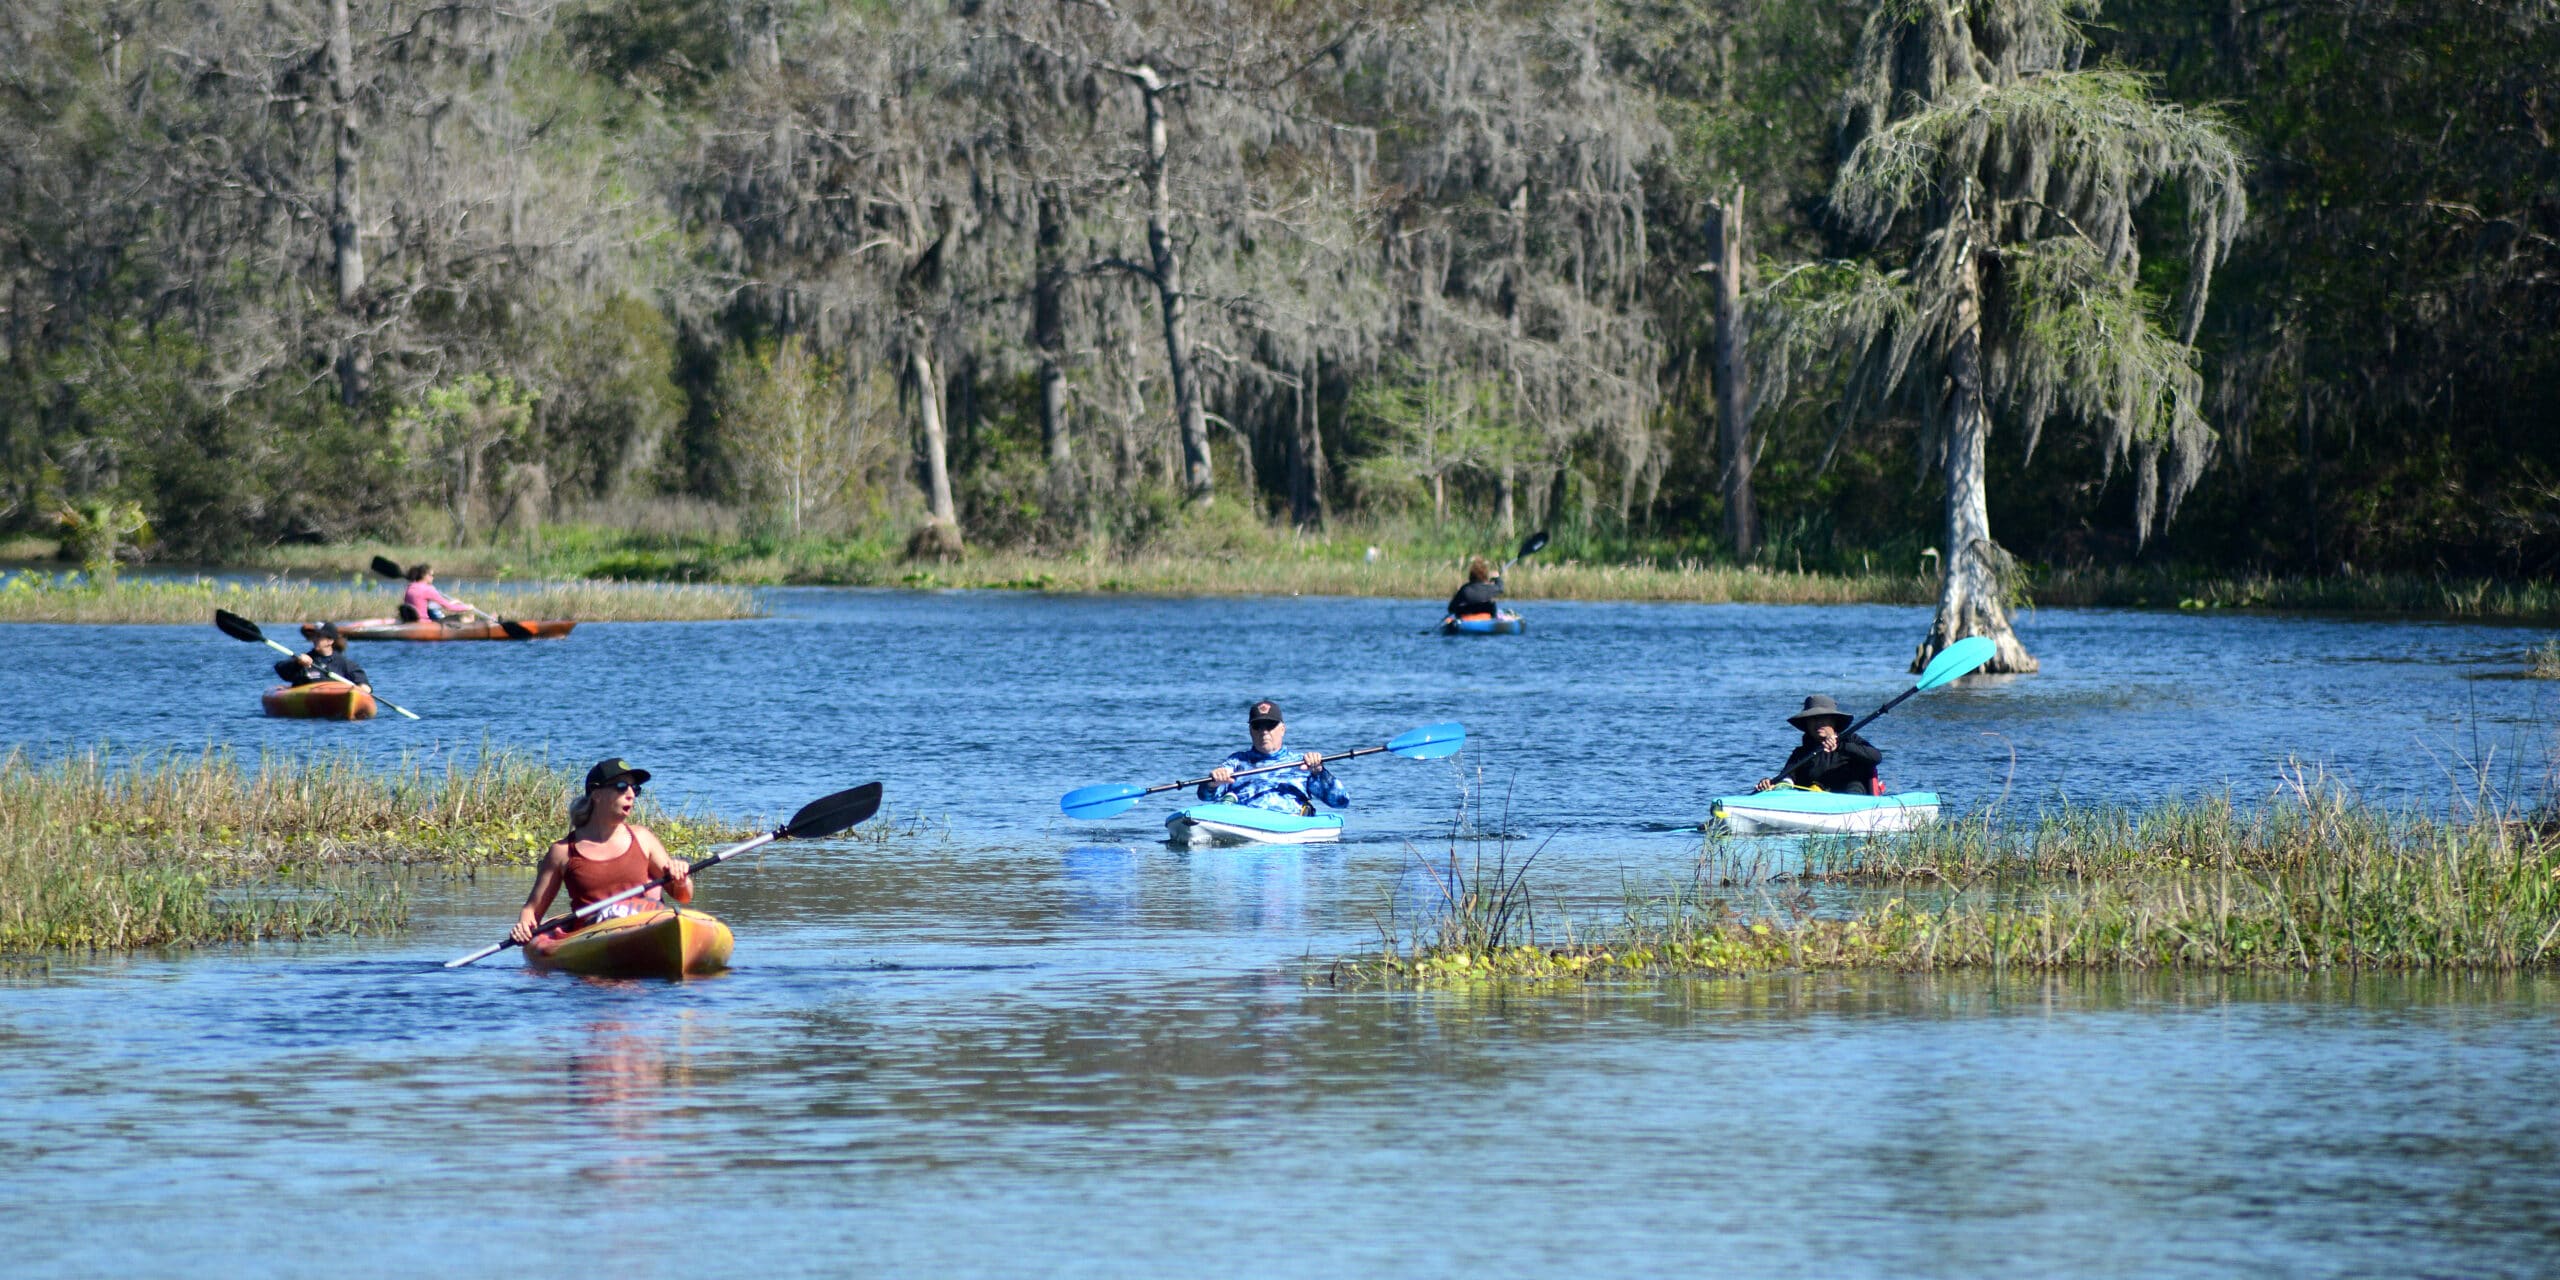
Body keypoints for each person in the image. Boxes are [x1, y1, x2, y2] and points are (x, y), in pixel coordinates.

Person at [511, 759, 693, 944]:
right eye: (621, 787)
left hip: (641, 925)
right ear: (596, 795)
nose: (631, 794)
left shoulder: (643, 838)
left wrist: (680, 879)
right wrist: (524, 926)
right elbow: (531, 911)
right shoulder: (562, 852)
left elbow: (684, 896)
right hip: (593, 936)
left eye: (634, 788)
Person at [1199, 699, 1349, 816]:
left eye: (1270, 726)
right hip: (1243, 822)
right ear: (1250, 730)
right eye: (1258, 726)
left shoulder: (1303, 764)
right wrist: (1213, 783)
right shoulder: (1237, 762)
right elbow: (1205, 796)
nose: (1264, 732)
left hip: (1289, 828)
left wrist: (1319, 772)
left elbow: (1340, 801)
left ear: (1282, 729)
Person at [1754, 694, 1883, 794]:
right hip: (1814, 802)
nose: (1818, 723)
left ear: (1834, 721)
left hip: (1852, 799)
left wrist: (1841, 746)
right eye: (1813, 719)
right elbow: (1786, 778)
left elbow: (1876, 757)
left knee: (1854, 785)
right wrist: (1768, 783)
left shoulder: (1850, 740)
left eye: (1823, 718)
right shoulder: (1801, 753)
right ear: (1807, 724)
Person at [275, 623, 371, 691]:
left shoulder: (344, 663)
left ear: (330, 641)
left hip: (335, 700)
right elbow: (280, 669)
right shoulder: (304, 659)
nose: (315, 639)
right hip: (309, 699)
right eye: (314, 636)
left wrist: (364, 687)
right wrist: (297, 662)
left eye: (319, 636)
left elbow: (362, 682)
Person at [398, 564, 474, 624]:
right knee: (459, 617)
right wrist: (467, 607)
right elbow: (449, 607)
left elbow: (426, 606)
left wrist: (452, 602)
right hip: (424, 622)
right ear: (425, 576)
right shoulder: (428, 589)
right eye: (432, 575)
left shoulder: (410, 587)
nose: (433, 578)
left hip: (409, 620)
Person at [1442, 556, 1503, 624]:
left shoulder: (1464, 589)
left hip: (1466, 618)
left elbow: (1451, 608)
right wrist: (1497, 578)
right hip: (1486, 618)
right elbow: (1500, 588)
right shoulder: (1490, 588)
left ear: (1471, 576)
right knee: (1492, 604)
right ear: (1486, 576)